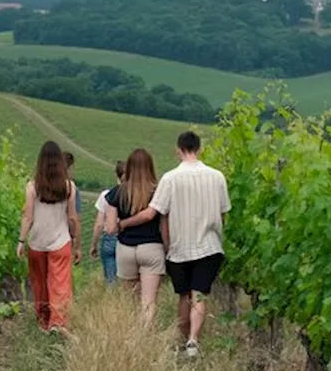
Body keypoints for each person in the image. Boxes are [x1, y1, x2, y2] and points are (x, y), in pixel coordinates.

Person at [117, 131, 229, 358]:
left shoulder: (169, 179)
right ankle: (193, 340)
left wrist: (126, 223)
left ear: (178, 149)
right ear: (200, 149)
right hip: (209, 245)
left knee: (183, 295)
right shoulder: (218, 177)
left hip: (179, 248)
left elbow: (156, 213)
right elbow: (223, 212)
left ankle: (183, 337)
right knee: (200, 293)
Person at [18, 141, 80, 334]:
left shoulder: (32, 187)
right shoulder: (69, 187)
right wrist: (77, 245)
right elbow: (72, 217)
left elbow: (28, 217)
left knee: (40, 283)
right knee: (60, 283)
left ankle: (43, 321)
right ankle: (58, 322)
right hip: (60, 242)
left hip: (37, 242)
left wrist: (21, 241)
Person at [104, 149, 166, 321]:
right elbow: (163, 223)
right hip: (152, 248)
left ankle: (130, 339)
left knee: (130, 301)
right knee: (148, 303)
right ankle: (145, 337)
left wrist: (120, 224)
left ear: (129, 167)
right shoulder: (158, 192)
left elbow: (110, 229)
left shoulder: (116, 193)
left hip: (125, 250)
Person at [90, 160, 127, 284]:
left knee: (111, 280)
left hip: (109, 239)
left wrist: (94, 245)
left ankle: (111, 301)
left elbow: (99, 224)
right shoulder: (134, 195)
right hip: (127, 238)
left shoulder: (106, 195)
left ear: (117, 176)